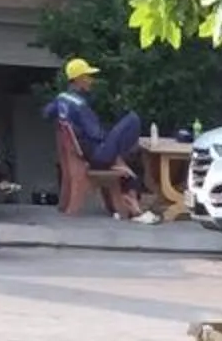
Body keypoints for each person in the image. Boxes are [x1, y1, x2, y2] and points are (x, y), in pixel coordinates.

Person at [44, 58, 157, 220]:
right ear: (78, 79)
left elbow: (47, 113)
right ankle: (122, 168)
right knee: (133, 119)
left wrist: (63, 120)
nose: (92, 80)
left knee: (122, 145)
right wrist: (113, 139)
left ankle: (122, 166)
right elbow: (97, 134)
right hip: (97, 155)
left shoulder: (61, 98)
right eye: (88, 77)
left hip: (83, 153)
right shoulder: (80, 105)